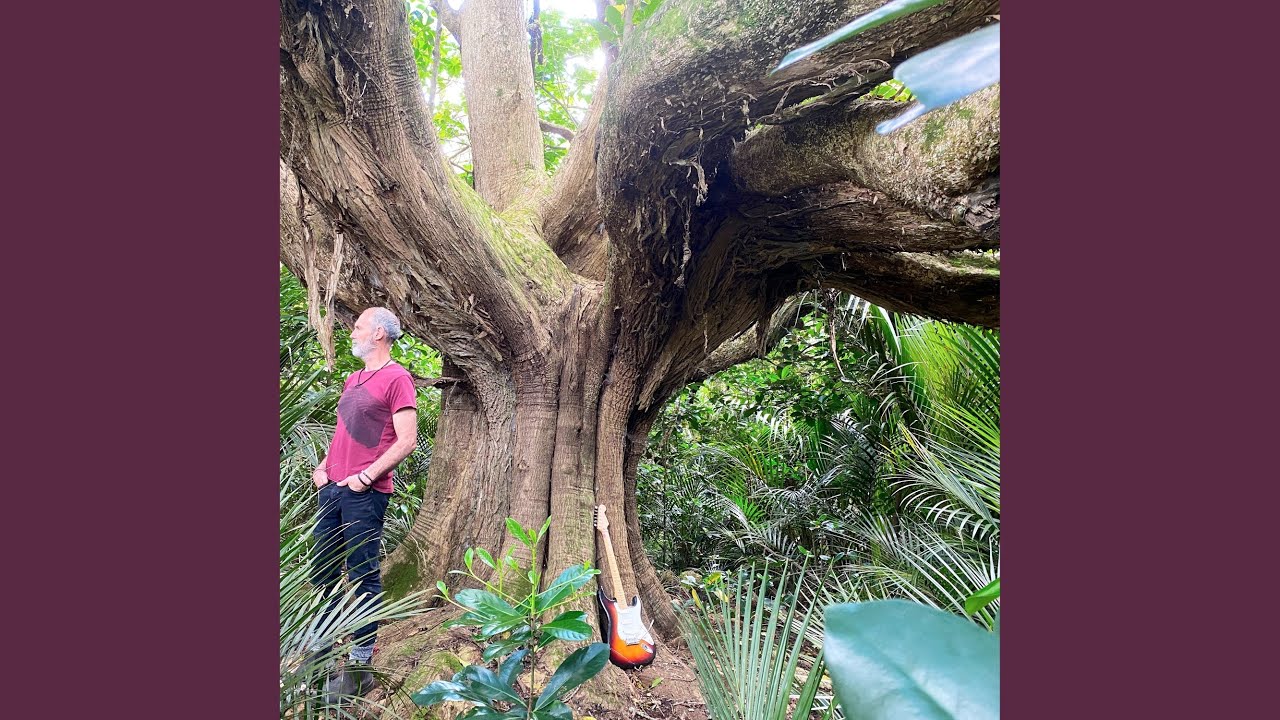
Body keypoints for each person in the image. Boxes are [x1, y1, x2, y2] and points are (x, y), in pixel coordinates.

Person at [307, 306, 418, 700]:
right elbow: (345, 431)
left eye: (358, 327)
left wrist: (366, 477)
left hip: (365, 494)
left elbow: (407, 440)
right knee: (322, 574)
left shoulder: (398, 378)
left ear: (379, 335)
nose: (352, 333)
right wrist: (324, 467)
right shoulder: (353, 379)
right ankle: (321, 656)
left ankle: (359, 669)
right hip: (332, 489)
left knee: (363, 577)